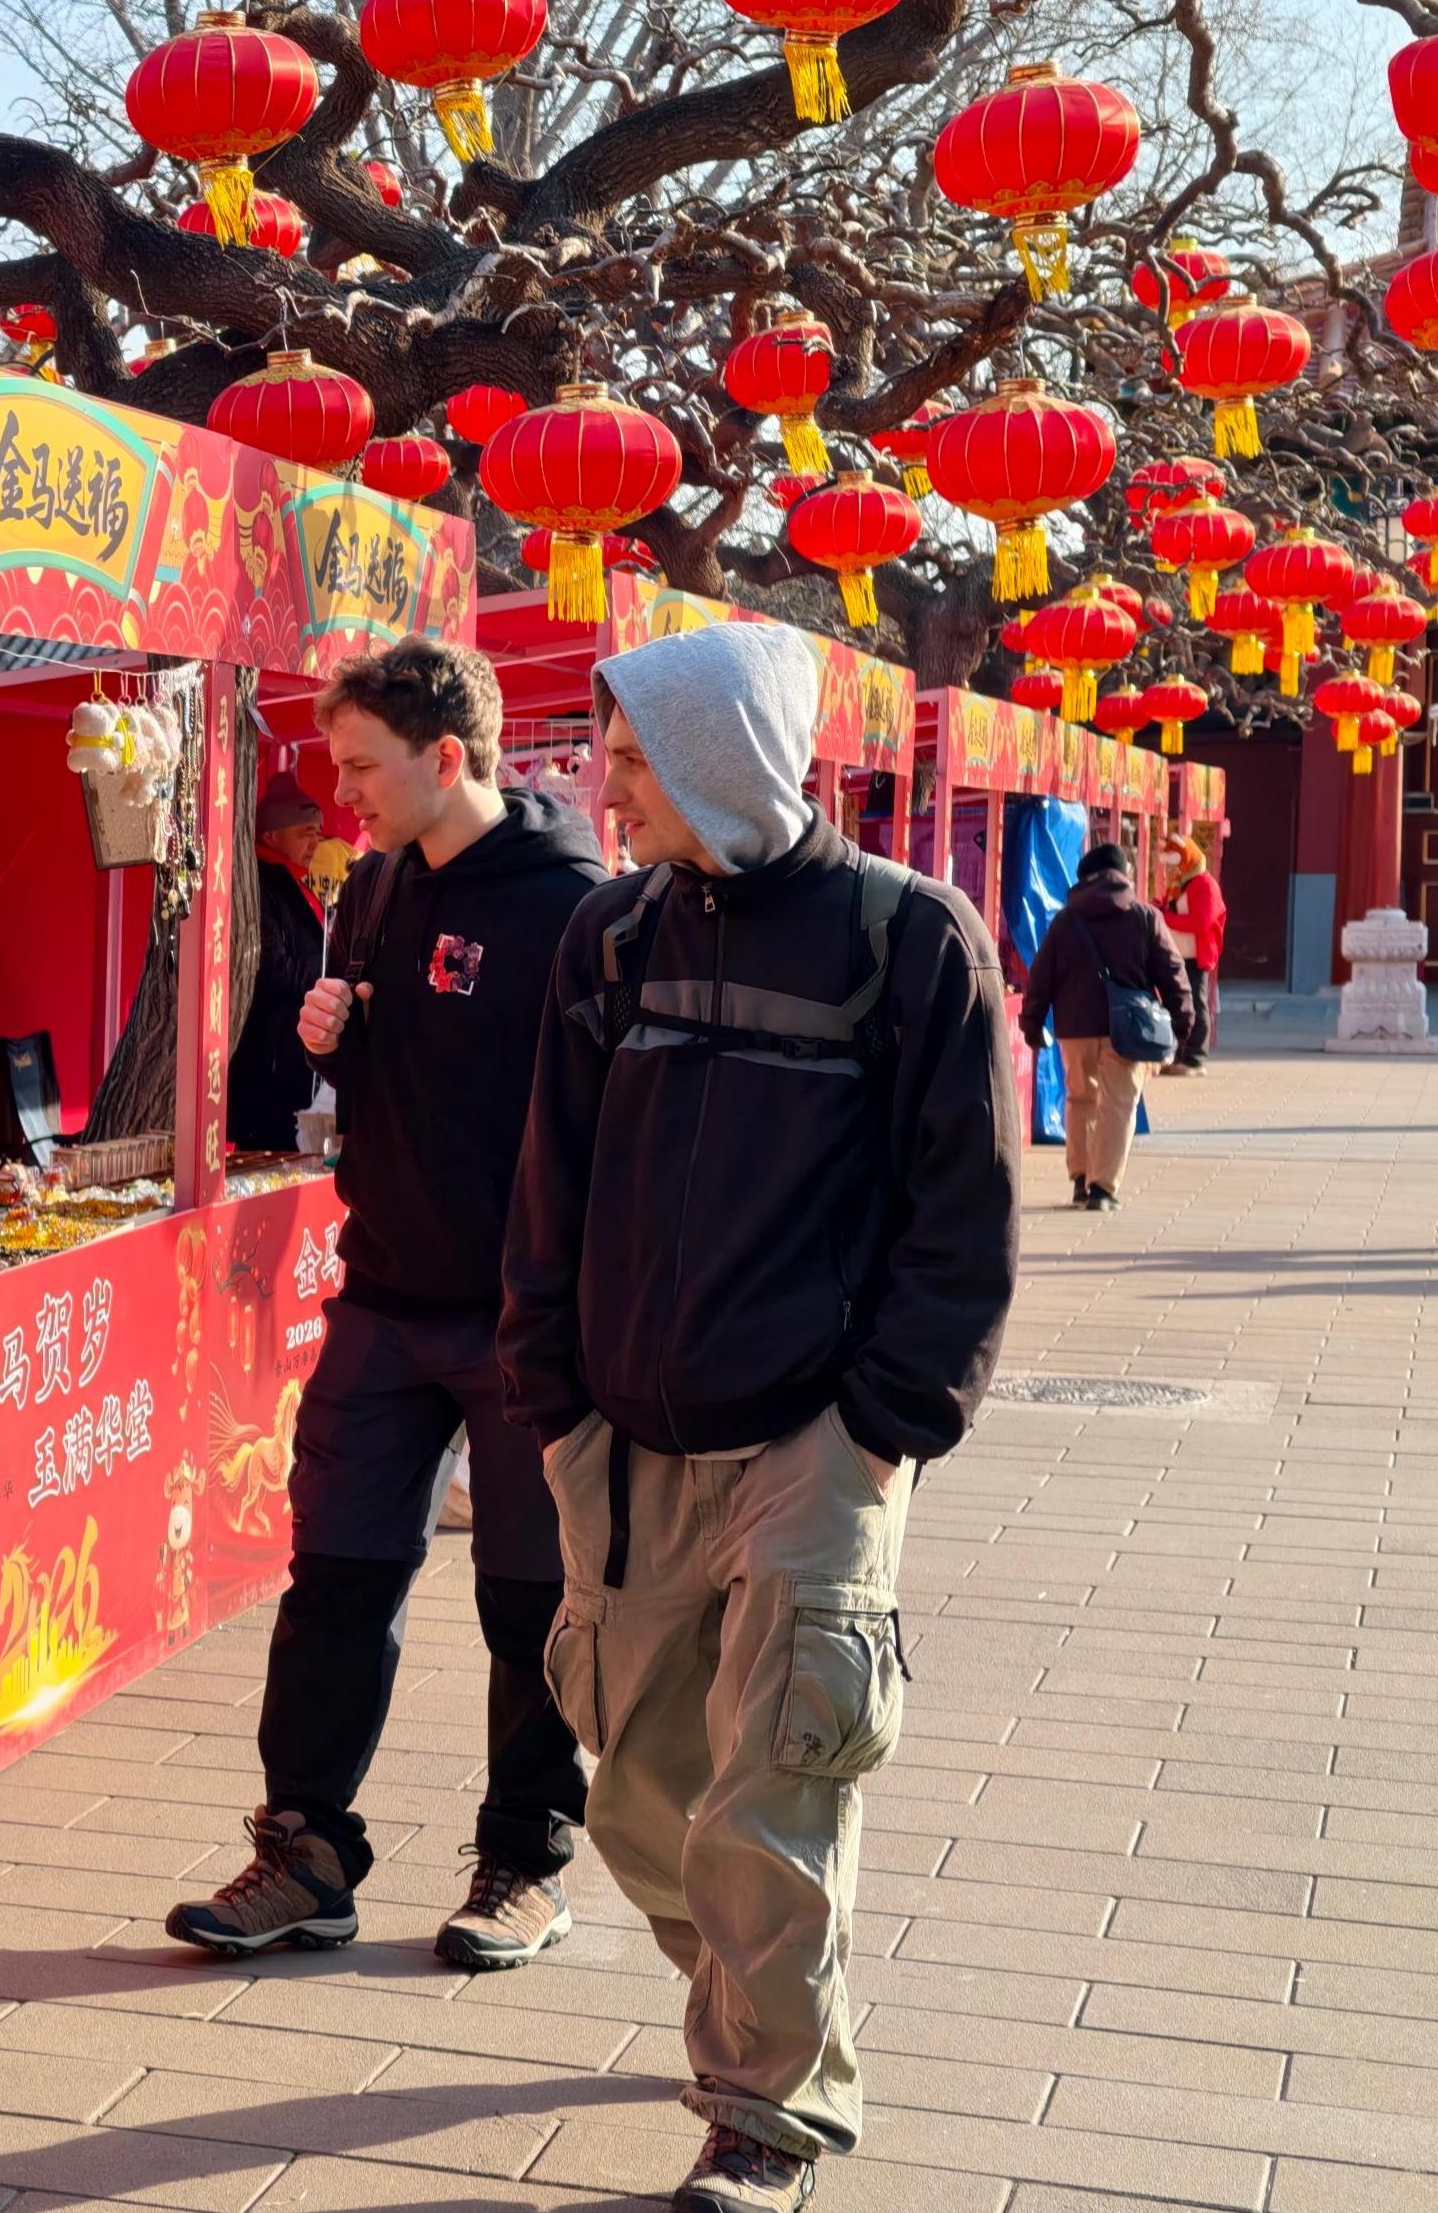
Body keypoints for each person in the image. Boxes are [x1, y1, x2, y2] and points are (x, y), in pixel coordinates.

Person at [500, 618, 1017, 2213]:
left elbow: (964, 1219)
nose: (606, 786)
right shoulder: (606, 938)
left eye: (633, 760)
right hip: (623, 1438)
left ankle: (764, 2108)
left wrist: (881, 1422)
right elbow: (548, 1186)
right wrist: (553, 1401)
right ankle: (753, 2000)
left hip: (817, 1445)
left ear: (719, 757)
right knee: (638, 1792)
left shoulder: (910, 940)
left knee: (776, 1787)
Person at [167, 640, 606, 1970]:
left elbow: (604, 1120)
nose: (341, 791)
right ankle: (305, 1854)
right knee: (335, 1578)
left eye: (361, 765)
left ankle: (523, 1861)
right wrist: (333, 1038)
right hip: (383, 1291)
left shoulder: (573, 904)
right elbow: (379, 1073)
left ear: (445, 756)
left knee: (530, 1600)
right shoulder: (371, 885)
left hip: (528, 1315)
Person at [1019, 842, 1192, 1210]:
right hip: (1128, 1029)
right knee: (1118, 1104)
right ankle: (1102, 1189)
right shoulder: (1144, 917)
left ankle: (1080, 1180)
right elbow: (1173, 973)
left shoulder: (1067, 920)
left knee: (1080, 1099)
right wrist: (1182, 1024)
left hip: (1075, 1029)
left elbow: (1041, 977)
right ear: (1123, 875)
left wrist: (1032, 1022)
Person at [224, 778, 329, 1153]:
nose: (314, 843)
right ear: (271, 836)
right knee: (271, 1151)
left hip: (294, 1048)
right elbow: (268, 966)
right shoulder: (257, 883)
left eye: (317, 833)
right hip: (269, 1053)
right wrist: (328, 987)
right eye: (304, 833)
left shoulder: (292, 881)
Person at [1157, 835, 1227, 1072]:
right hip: (1177, 952)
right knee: (1177, 1003)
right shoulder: (1182, 884)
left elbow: (1201, 923)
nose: (1174, 870)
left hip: (1196, 955)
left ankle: (1195, 1057)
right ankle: (1178, 1054)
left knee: (1196, 1003)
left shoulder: (1205, 885)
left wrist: (1166, 918)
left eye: (1177, 864)